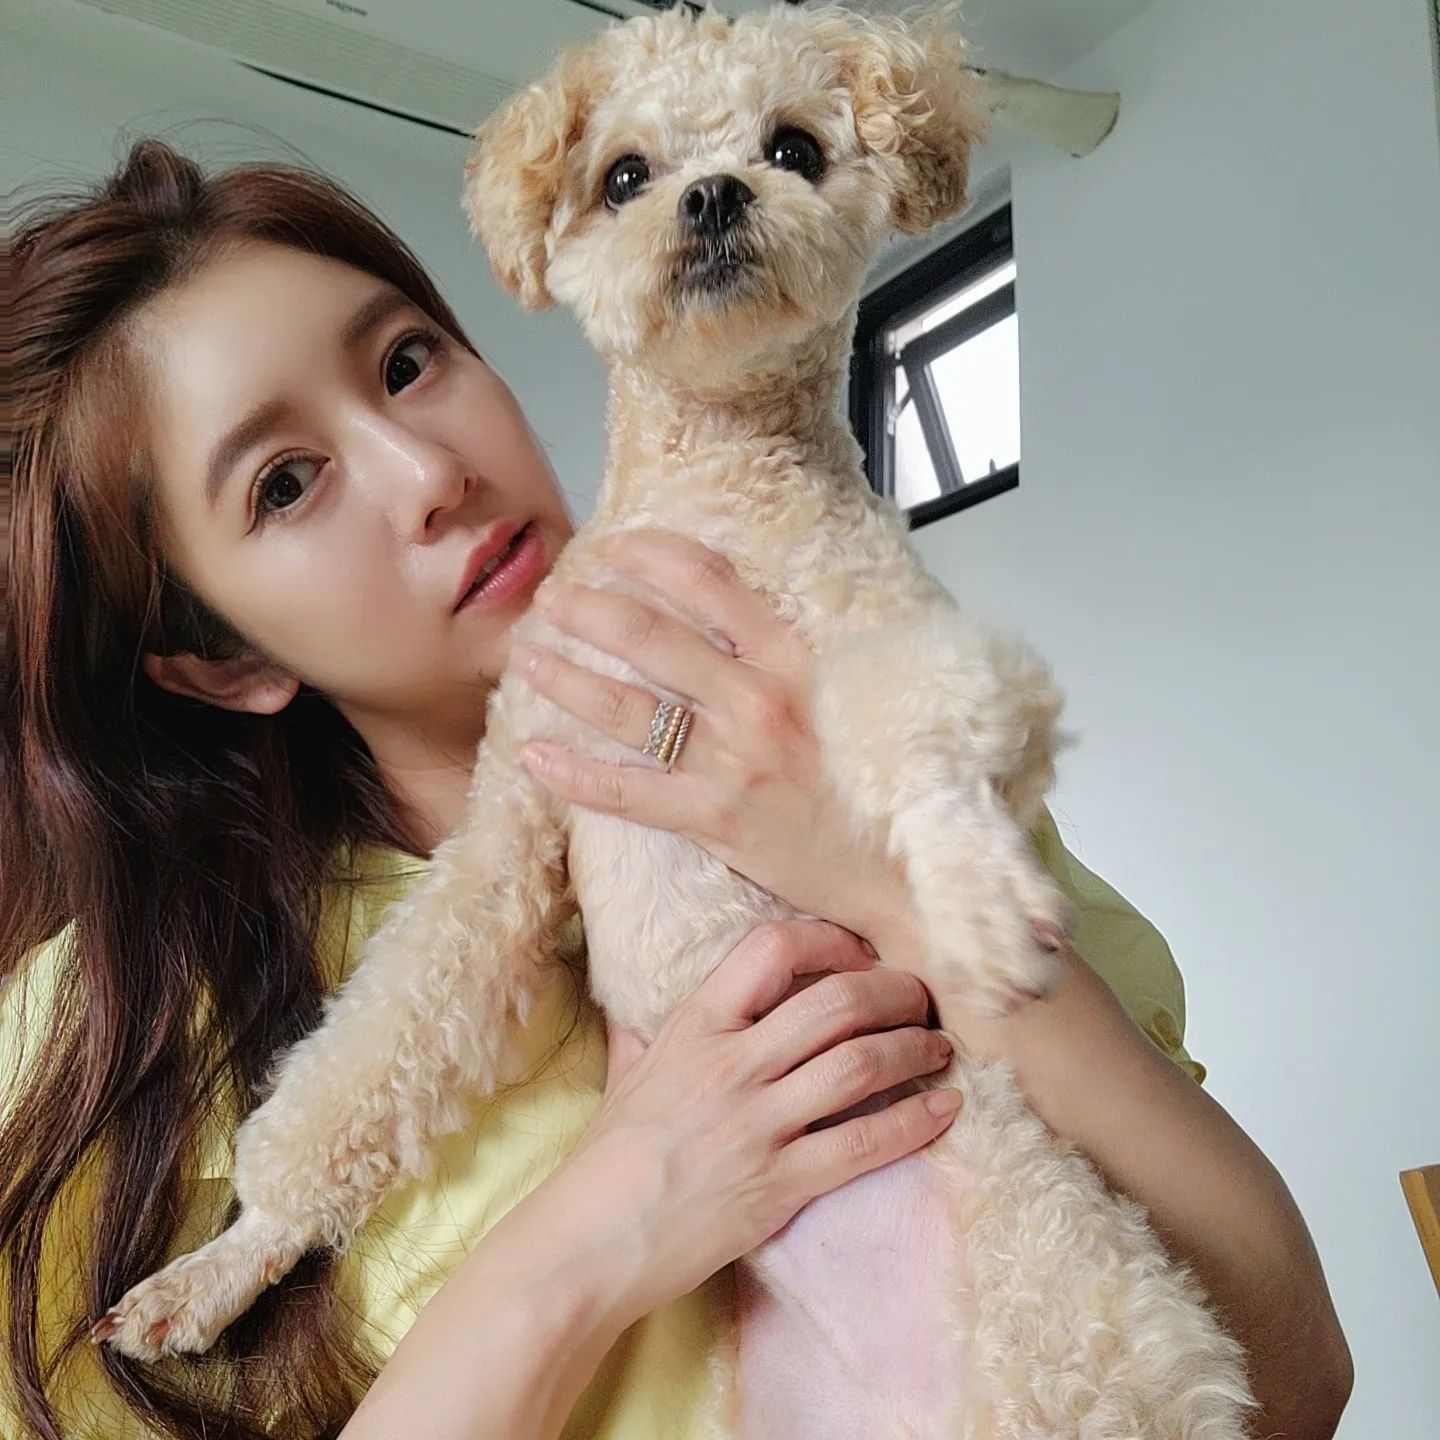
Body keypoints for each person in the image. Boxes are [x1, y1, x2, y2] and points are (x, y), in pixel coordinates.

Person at [0, 140, 1351, 1440]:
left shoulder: (859, 744)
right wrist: (597, 1231)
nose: (431, 475)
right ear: (222, 660)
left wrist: (890, 887)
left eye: (407, 364)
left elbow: (1297, 1384)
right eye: (287, 485)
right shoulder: (103, 1036)